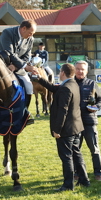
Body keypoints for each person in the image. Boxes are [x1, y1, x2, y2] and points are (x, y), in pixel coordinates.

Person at [36, 63, 90, 191]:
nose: (59, 74)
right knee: (77, 154)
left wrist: (57, 130)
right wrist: (39, 78)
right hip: (76, 127)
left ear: (63, 73)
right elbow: (55, 89)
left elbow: (63, 111)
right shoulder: (72, 84)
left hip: (66, 130)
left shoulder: (66, 88)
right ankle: (84, 180)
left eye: (60, 72)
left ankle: (67, 185)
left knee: (66, 157)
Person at [0, 19, 39, 125]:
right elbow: (9, 52)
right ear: (23, 28)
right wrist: (25, 66)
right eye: (30, 33)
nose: (31, 35)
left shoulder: (30, 39)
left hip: (17, 67)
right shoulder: (7, 33)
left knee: (29, 86)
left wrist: (16, 66)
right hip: (1, 65)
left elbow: (26, 56)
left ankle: (24, 114)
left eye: (32, 34)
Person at [74, 60, 101, 181]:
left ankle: (98, 173)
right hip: (75, 122)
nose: (80, 71)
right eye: (78, 69)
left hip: (89, 121)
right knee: (75, 149)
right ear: (74, 69)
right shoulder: (71, 83)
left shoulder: (92, 84)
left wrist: (96, 107)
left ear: (87, 71)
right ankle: (76, 173)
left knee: (94, 149)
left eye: (82, 69)